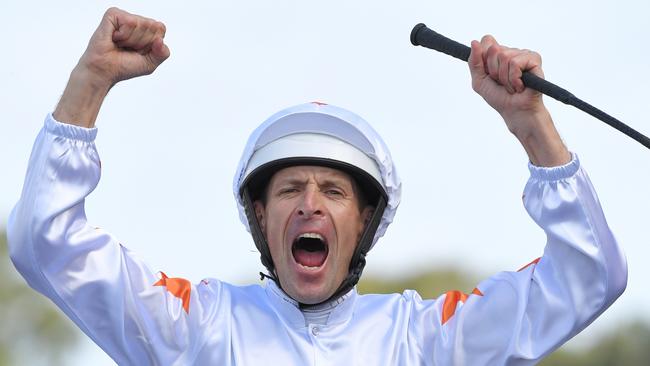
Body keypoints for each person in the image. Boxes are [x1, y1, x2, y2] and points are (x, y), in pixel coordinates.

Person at [7, 7, 627, 365]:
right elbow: (44, 243)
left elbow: (592, 275)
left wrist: (531, 124)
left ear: (365, 222)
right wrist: (90, 82)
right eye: (288, 190)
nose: (309, 203)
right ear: (258, 215)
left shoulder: (427, 339)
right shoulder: (196, 328)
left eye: (333, 192)